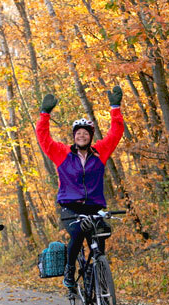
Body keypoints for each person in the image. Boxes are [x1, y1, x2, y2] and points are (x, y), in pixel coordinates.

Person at [35, 86, 124, 293]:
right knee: (77, 232)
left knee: (99, 243)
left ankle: (100, 284)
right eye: (78, 133)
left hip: (94, 207)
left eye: (85, 133)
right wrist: (44, 114)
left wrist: (115, 108)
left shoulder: (99, 153)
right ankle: (69, 270)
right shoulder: (61, 154)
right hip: (70, 207)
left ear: (90, 136)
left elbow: (116, 132)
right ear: (74, 136)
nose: (82, 135)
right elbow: (43, 138)